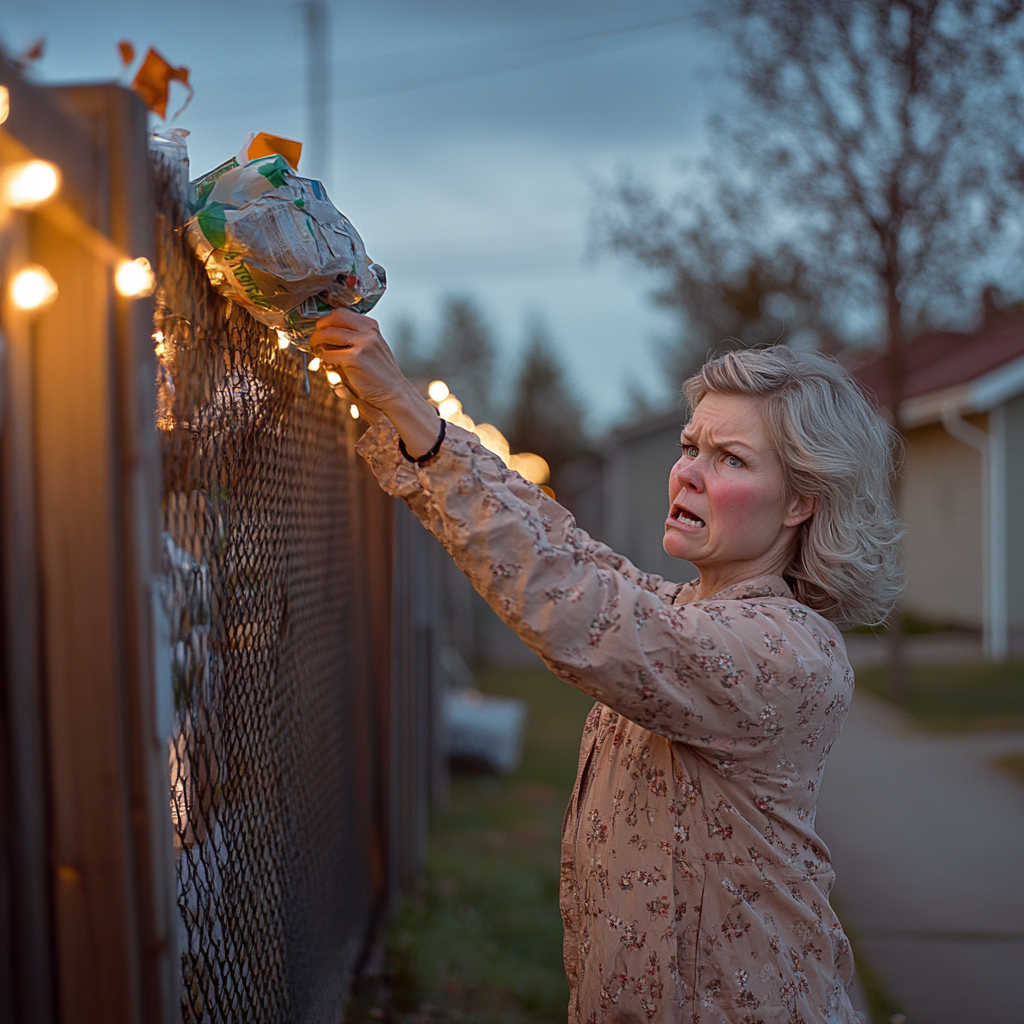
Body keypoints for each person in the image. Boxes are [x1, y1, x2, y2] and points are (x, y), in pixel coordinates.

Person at [312, 307, 903, 1024]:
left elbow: (576, 608)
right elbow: (566, 545)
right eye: (691, 446)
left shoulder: (786, 651)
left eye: (731, 459)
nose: (687, 473)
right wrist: (419, 429)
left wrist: (410, 409)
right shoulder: (695, 612)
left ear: (801, 502)